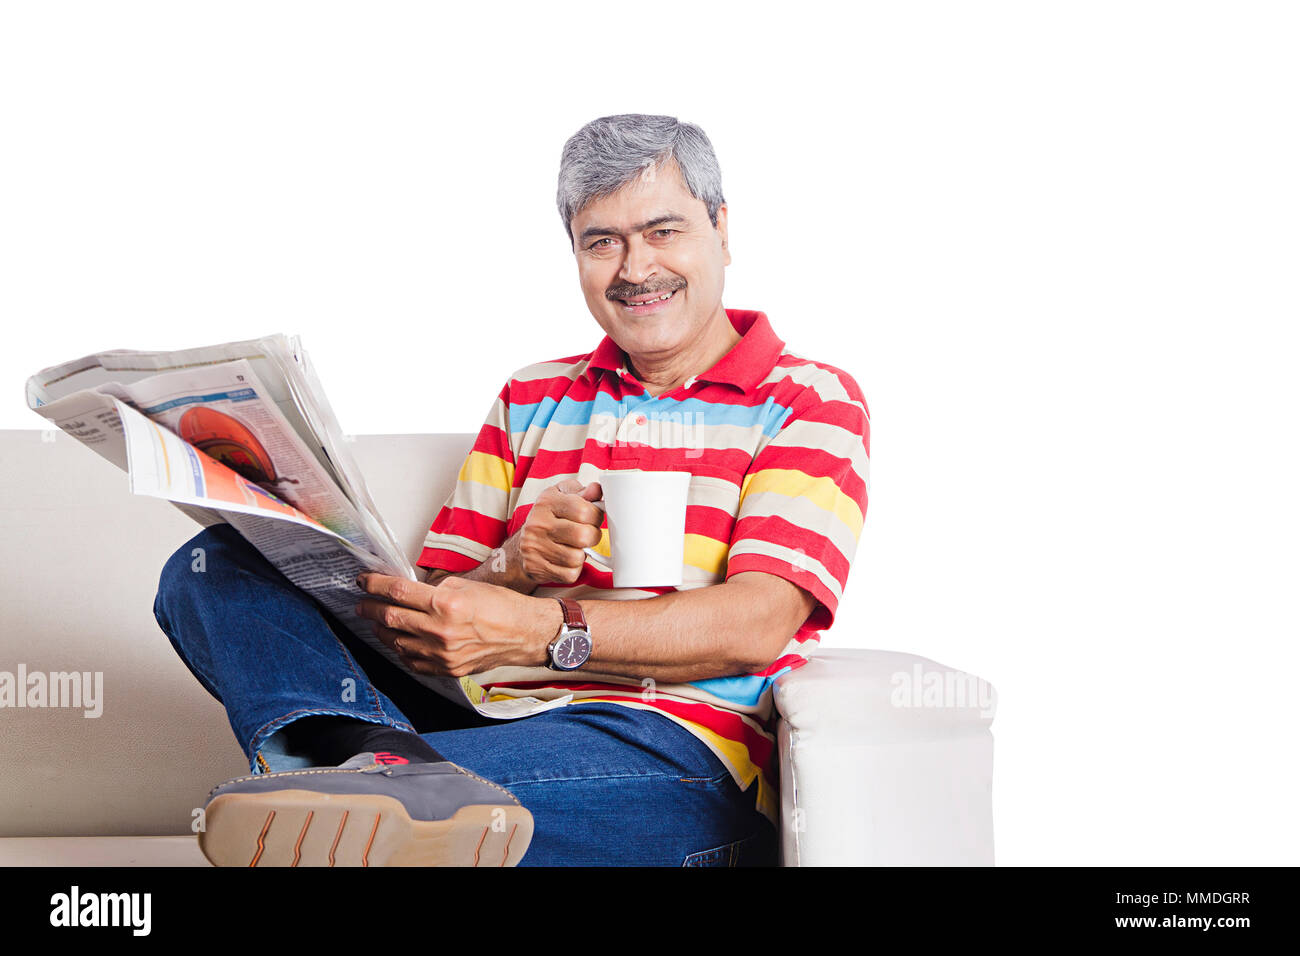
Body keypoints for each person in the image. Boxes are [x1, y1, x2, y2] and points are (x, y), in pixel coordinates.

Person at [153, 113, 870, 867]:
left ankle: (377, 793)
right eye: (602, 242)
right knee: (214, 565)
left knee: (397, 818)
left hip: (666, 748)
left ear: (722, 230)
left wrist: (540, 629)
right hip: (477, 714)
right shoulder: (532, 395)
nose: (634, 267)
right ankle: (364, 761)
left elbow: (759, 621)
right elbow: (432, 612)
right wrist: (513, 567)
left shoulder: (807, 399)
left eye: (663, 232)